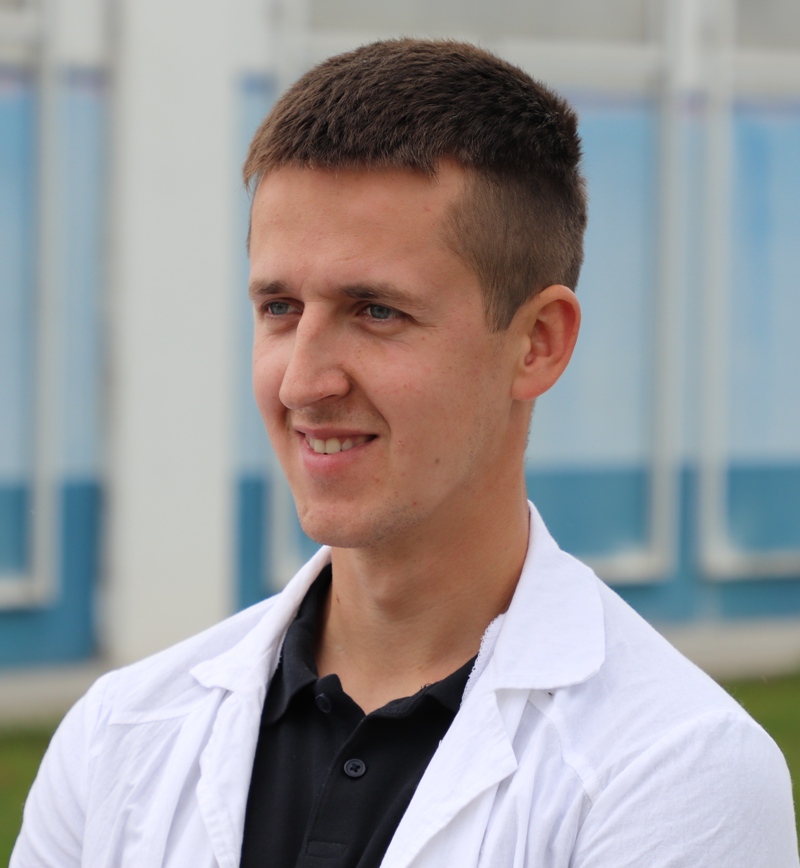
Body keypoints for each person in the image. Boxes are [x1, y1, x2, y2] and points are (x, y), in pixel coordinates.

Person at [12, 38, 799, 868]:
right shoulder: (117, 739)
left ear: (537, 342)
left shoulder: (677, 772)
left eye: (376, 311)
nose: (302, 382)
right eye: (280, 308)